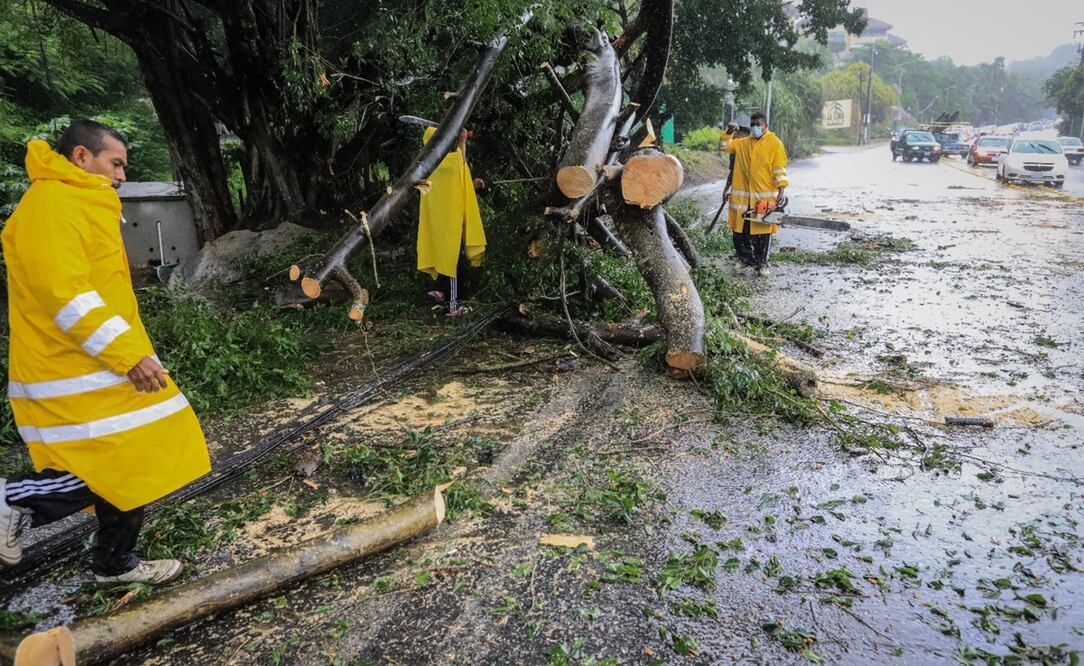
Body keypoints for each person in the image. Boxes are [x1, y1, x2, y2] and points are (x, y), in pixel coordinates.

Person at [0, 120, 211, 584]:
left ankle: (114, 564)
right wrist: (126, 355)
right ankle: (15, 499)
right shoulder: (53, 206)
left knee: (134, 458)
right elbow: (67, 296)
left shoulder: (78, 201)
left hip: (100, 362)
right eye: (115, 163)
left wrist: (129, 352)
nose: (120, 175)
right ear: (81, 156)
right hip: (73, 367)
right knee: (108, 463)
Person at [416, 127, 486, 316]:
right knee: (453, 262)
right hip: (449, 224)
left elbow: (453, 183)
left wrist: (472, 185)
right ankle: (454, 305)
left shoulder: (427, 165)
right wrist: (463, 141)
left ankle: (440, 290)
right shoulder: (443, 163)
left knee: (443, 256)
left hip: (439, 224)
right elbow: (459, 165)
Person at [719, 112, 789, 277]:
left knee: (763, 232)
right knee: (740, 231)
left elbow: (779, 168)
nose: (755, 127)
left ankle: (762, 263)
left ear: (766, 126)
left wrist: (781, 190)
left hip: (763, 198)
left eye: (758, 124)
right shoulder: (742, 143)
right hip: (742, 200)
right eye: (753, 124)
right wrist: (729, 132)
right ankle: (744, 259)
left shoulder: (775, 143)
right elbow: (724, 146)